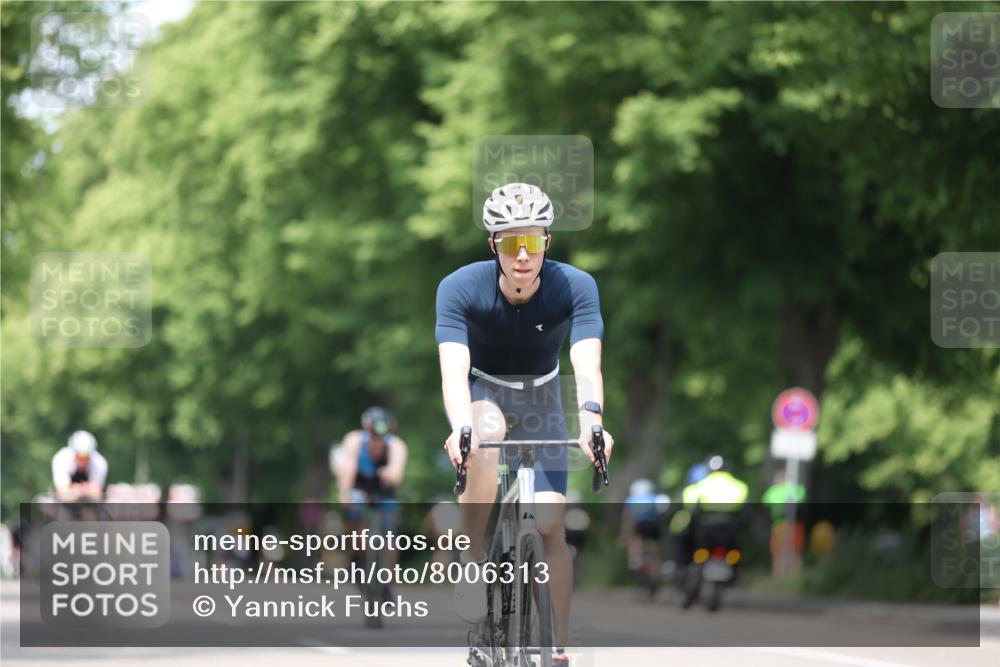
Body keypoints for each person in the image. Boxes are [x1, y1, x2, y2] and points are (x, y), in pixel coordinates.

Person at [436, 182, 615, 660]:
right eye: (510, 242)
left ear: (547, 242)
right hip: (486, 392)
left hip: (543, 400)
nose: (521, 254)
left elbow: (586, 362)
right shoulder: (458, 288)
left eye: (532, 241)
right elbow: (453, 369)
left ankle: (558, 644)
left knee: (552, 525)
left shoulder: (576, 286)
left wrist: (592, 420)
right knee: (483, 433)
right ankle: (473, 556)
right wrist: (460, 426)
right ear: (492, 244)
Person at [332, 407, 409, 574]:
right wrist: (345, 492)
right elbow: (349, 468)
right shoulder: (354, 440)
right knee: (355, 513)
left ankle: (387, 584)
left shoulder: (396, 445)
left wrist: (389, 474)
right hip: (359, 486)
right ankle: (355, 558)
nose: (378, 439)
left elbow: (397, 473)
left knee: (390, 538)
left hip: (383, 490)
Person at [681, 456, 748, 560]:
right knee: (734, 551)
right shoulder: (740, 486)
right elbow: (745, 510)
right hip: (730, 524)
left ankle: (699, 565)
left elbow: (693, 509)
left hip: (706, 525)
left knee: (700, 550)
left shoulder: (700, 485)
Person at [620, 478, 670, 597]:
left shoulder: (631, 500)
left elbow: (628, 519)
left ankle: (635, 559)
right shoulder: (655, 498)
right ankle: (655, 570)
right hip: (654, 527)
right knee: (655, 552)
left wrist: (625, 535)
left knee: (635, 543)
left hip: (639, 527)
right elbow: (663, 515)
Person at [762, 469, 806, 576]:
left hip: (790, 524)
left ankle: (790, 576)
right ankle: (782, 576)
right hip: (782, 524)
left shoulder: (778, 490)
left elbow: (766, 501)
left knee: (791, 550)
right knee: (782, 551)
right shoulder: (793, 489)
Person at [51, 431, 108, 504]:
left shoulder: (99, 463)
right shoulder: (61, 459)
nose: (82, 459)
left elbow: (96, 495)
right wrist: (86, 489)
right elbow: (63, 494)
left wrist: (75, 490)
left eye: (86, 456)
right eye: (79, 456)